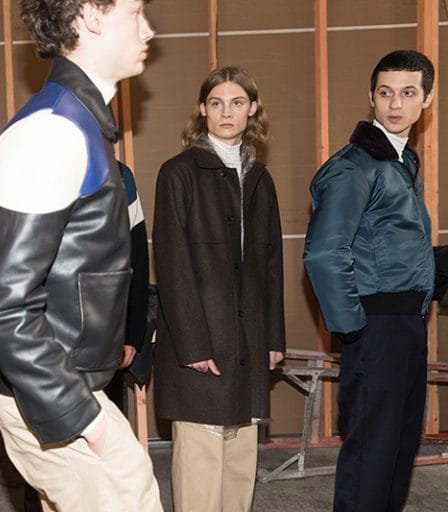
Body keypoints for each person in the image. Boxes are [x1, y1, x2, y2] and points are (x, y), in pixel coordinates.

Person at [0, 1, 162, 510]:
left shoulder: (76, 123)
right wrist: (85, 417)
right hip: (55, 392)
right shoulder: (51, 133)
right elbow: (2, 306)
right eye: (135, 12)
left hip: (65, 383)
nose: (148, 29)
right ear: (90, 16)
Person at [303, 50, 435, 511]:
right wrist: (354, 329)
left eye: (408, 93)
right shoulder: (355, 166)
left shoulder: (400, 161)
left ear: (427, 99)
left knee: (398, 450)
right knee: (371, 457)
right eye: (385, 92)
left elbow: (389, 249)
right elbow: (324, 252)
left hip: (405, 326)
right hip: (376, 329)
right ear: (371, 97)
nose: (395, 104)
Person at [153, 66, 285, 512]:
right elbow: (172, 266)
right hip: (200, 342)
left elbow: (271, 266)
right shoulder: (178, 173)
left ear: (252, 109)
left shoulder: (260, 179)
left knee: (239, 468)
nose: (226, 112)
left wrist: (273, 339)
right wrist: (192, 345)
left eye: (236, 102)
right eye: (216, 103)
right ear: (202, 110)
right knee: (201, 470)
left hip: (249, 342)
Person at [103, 161, 150, 411]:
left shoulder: (120, 176)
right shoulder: (35, 164)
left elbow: (137, 259)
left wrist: (132, 334)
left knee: (107, 422)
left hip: (108, 331)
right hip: (48, 331)